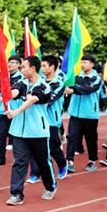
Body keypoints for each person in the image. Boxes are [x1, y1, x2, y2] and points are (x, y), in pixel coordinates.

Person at [5, 56, 57, 206]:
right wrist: (6, 93)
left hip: (37, 132)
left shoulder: (44, 87)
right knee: (19, 162)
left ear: (33, 68)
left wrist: (16, 112)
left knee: (42, 162)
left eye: (23, 67)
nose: (21, 70)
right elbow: (15, 92)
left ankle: (50, 186)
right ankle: (16, 194)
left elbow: (32, 100)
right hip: (19, 132)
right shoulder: (22, 82)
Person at [26, 55, 68, 183]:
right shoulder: (39, 81)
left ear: (53, 67)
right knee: (34, 148)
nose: (42, 69)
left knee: (53, 148)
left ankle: (62, 164)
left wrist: (33, 98)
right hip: (37, 120)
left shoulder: (59, 84)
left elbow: (49, 99)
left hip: (51, 121)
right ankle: (35, 173)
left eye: (45, 66)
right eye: (42, 66)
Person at [65, 55, 102, 173]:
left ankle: (92, 161)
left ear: (92, 64)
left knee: (90, 139)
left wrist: (74, 89)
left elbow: (88, 89)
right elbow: (68, 84)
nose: (82, 64)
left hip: (90, 114)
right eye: (82, 62)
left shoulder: (96, 78)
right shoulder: (76, 76)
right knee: (72, 137)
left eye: (85, 62)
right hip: (75, 113)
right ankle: (69, 161)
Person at [0, 54, 23, 165]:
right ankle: (0, 159)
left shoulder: (21, 78)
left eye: (13, 62)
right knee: (2, 135)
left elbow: (14, 92)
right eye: (9, 62)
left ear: (18, 65)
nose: (10, 64)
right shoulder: (2, 76)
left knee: (17, 136)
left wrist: (2, 96)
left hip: (15, 111)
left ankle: (18, 158)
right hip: (3, 110)